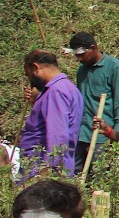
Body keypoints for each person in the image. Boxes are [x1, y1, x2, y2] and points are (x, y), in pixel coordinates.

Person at [65, 32, 119, 168]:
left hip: (101, 138)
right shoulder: (81, 71)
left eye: (82, 54)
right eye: (77, 56)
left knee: (98, 180)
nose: (79, 59)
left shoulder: (114, 67)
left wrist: (114, 135)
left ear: (93, 48)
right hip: (80, 136)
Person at [18, 50, 82, 179]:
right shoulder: (68, 88)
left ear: (36, 68)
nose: (31, 81)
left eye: (29, 75)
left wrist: (46, 172)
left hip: (42, 171)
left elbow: (57, 135)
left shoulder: (56, 91)